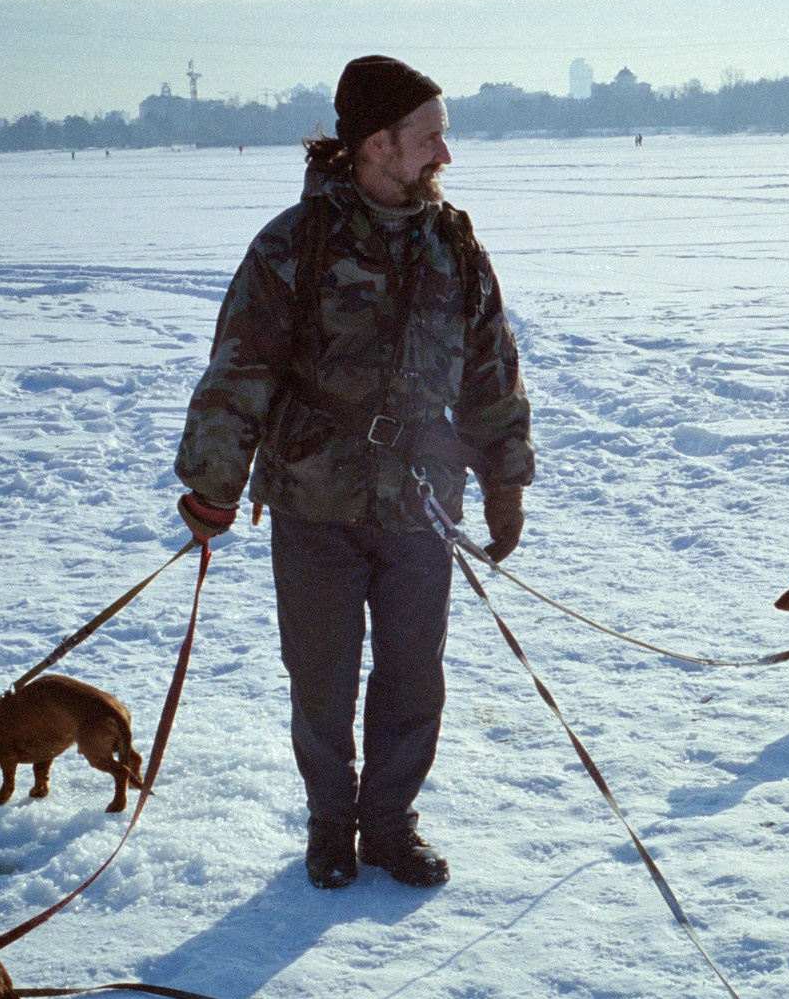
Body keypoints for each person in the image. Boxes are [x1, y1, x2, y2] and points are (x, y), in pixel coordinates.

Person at [174, 55, 534, 889]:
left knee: (414, 675)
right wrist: (212, 486)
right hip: (313, 500)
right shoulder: (292, 246)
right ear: (377, 144)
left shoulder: (454, 244)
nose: (445, 155)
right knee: (322, 680)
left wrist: (504, 479)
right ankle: (331, 823)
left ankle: (390, 825)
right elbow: (239, 371)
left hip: (420, 502)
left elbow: (492, 368)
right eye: (431, 137)